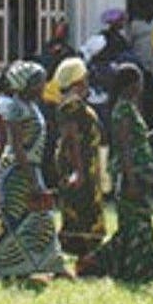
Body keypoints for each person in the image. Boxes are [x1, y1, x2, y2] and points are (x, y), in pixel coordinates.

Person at [78, 65, 153, 282]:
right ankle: (103, 262)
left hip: (138, 173)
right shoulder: (123, 110)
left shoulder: (129, 108)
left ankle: (105, 263)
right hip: (130, 175)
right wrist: (130, 178)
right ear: (131, 84)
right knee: (136, 226)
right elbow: (124, 146)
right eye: (139, 82)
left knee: (133, 225)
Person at [0, 61, 66, 278]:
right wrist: (32, 179)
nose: (43, 87)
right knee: (17, 218)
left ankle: (48, 264)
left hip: (30, 168)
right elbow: (17, 146)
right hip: (19, 170)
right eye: (39, 83)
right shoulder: (15, 108)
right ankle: (5, 266)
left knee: (40, 217)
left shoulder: (31, 106)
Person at [52, 57, 106, 257]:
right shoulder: (72, 106)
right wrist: (78, 170)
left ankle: (84, 246)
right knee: (82, 202)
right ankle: (81, 246)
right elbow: (72, 138)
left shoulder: (73, 104)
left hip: (84, 161)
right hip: (79, 161)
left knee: (84, 202)